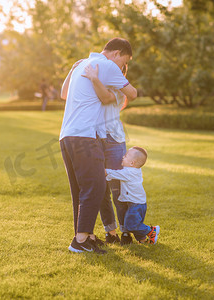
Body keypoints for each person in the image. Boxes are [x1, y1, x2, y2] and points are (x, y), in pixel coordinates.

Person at [59, 38, 137, 254]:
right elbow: (133, 93)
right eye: (124, 62)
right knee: (95, 187)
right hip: (85, 136)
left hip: (66, 136)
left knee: (82, 190)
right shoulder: (108, 66)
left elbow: (63, 95)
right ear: (116, 54)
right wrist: (115, 77)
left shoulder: (82, 64)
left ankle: (87, 237)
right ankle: (80, 241)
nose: (122, 68)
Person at [81, 63, 130, 245]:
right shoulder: (95, 86)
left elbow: (105, 99)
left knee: (118, 189)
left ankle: (126, 231)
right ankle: (111, 232)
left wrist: (94, 77)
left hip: (114, 140)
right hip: (95, 139)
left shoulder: (118, 92)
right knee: (101, 189)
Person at [105, 147, 160, 244]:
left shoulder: (128, 172)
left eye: (125, 156)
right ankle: (143, 241)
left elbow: (113, 173)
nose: (122, 157)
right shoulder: (134, 170)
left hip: (136, 205)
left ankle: (151, 231)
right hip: (139, 203)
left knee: (130, 225)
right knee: (137, 224)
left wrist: (102, 170)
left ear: (132, 163)